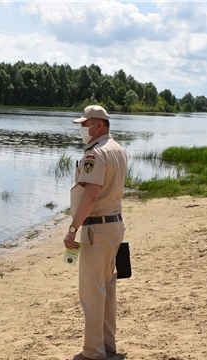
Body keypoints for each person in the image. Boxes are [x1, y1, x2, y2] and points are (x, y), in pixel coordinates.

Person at [63, 105, 128, 360]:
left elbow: (90, 196)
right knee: (107, 288)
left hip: (97, 228)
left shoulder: (96, 153)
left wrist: (72, 229)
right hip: (114, 225)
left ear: (99, 125)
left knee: (92, 292)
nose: (82, 129)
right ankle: (107, 347)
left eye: (85, 124)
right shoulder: (118, 150)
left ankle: (92, 353)